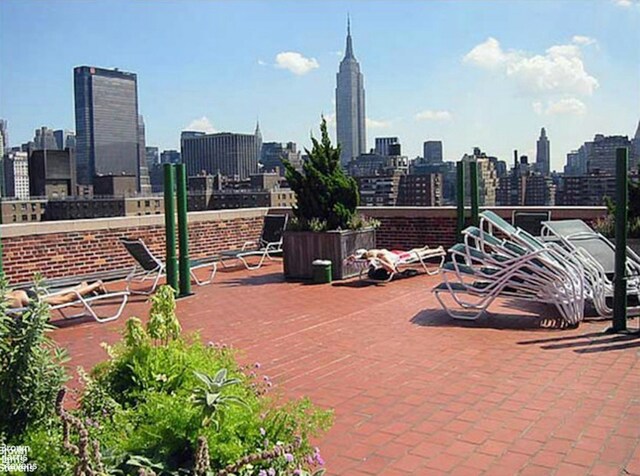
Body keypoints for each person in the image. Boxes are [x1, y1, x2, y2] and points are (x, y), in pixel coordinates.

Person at [4, 281, 108, 309]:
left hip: (29, 298)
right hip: (25, 294)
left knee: (65, 299)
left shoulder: (9, 300)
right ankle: (81, 287)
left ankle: (96, 285)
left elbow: (18, 313)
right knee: (59, 297)